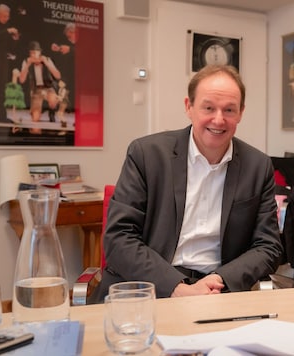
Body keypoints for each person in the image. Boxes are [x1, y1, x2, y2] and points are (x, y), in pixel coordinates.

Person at [89, 65, 283, 303]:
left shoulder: (258, 165)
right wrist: (176, 287)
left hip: (218, 292)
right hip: (147, 290)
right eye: (208, 107)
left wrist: (218, 281)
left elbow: (268, 246)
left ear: (241, 113)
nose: (219, 119)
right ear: (188, 107)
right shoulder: (146, 154)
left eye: (229, 109)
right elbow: (119, 238)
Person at [18, 41, 61, 130]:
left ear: (39, 53)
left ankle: (51, 111)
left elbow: (58, 76)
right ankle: (37, 111)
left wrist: (46, 63)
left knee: (53, 101)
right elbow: (22, 80)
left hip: (49, 88)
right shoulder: (26, 61)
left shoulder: (47, 59)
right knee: (35, 119)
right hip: (36, 90)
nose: (33, 55)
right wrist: (27, 65)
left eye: (35, 52)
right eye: (31, 53)